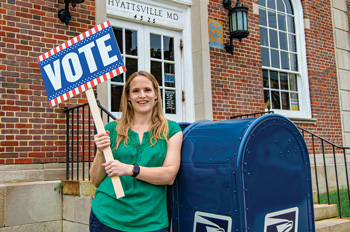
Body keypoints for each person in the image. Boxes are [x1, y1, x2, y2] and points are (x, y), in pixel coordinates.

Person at [89, 71, 183, 232]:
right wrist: (100, 152)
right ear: (128, 97)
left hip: (151, 222)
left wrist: (129, 169)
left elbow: (169, 176)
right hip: (107, 218)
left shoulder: (171, 130)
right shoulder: (111, 130)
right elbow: (96, 180)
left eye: (147, 90)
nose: (142, 95)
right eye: (135, 91)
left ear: (156, 95)